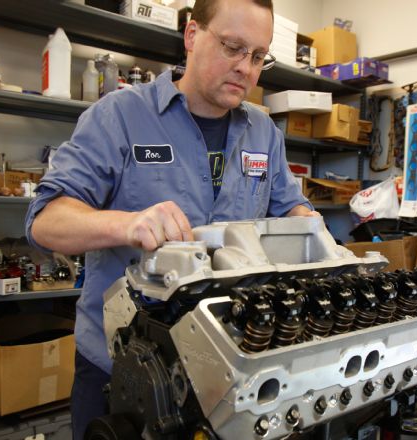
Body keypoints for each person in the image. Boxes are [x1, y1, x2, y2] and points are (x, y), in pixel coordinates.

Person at [25, 0, 317, 437]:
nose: (245, 68)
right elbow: (45, 219)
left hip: (229, 371)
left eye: (258, 56)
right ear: (192, 36)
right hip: (123, 371)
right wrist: (127, 224)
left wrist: (310, 225)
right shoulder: (120, 116)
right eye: (233, 47)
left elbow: (291, 208)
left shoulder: (264, 133)